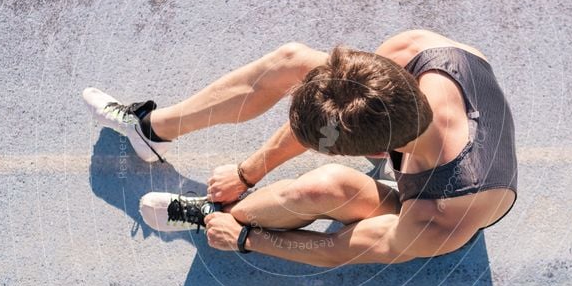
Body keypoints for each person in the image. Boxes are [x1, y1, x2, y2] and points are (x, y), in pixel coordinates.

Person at [83, 29, 517, 267]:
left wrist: (248, 239)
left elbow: (336, 250)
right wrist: (247, 171)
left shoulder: (436, 219)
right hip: (419, 140)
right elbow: (339, 103)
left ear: (369, 153)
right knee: (293, 60)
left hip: (436, 197)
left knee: (324, 189)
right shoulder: (416, 50)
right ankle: (151, 129)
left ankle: (219, 215)